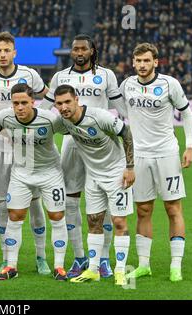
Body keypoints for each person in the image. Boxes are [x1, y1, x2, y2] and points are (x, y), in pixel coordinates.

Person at [40, 34, 125, 278]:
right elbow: (44, 111)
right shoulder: (60, 77)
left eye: (83, 49)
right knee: (71, 201)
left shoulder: (107, 75)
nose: (79, 52)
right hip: (72, 143)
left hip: (101, 145)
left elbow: (121, 109)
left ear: (91, 50)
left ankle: (104, 259)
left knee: (106, 202)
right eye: (75, 48)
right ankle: (80, 258)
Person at [0, 31, 51, 276]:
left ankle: (41, 257)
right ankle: (7, 259)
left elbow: (47, 96)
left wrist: (40, 118)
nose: (3, 55)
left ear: (14, 52)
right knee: (2, 203)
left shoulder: (28, 74)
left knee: (35, 201)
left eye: (7, 50)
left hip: (27, 144)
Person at [120, 43, 192, 282]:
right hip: (139, 155)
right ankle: (144, 265)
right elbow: (117, 108)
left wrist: (189, 146)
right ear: (133, 62)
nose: (142, 65)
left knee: (173, 208)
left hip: (167, 153)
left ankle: (176, 265)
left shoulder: (169, 84)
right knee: (143, 210)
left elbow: (187, 113)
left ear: (155, 62)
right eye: (138, 61)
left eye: (146, 61)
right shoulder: (127, 85)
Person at [52, 84, 135, 286]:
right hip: (93, 177)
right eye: (59, 104)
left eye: (67, 102)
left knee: (119, 222)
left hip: (116, 174)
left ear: (77, 100)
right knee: (94, 222)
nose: (64, 107)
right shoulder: (64, 122)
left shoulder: (99, 116)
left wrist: (130, 167)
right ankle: (93, 269)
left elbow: (126, 133)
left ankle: (121, 271)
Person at [0, 83, 68, 281]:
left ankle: (59, 267)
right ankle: (11, 266)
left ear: (33, 102)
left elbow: (73, 127)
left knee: (57, 216)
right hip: (21, 173)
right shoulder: (5, 117)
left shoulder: (50, 119)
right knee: (15, 216)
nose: (19, 108)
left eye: (24, 103)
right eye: (15, 103)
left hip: (50, 172)